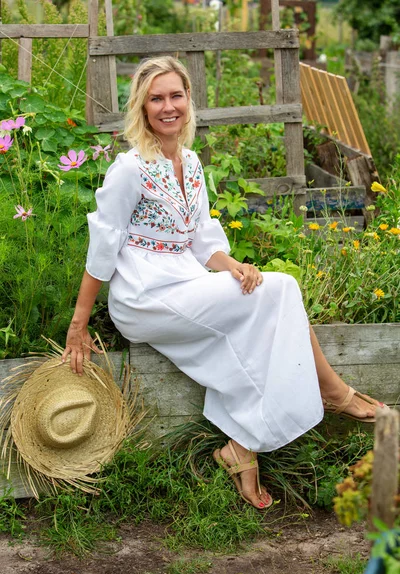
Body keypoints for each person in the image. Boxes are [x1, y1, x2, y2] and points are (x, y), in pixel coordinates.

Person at [62, 56, 386, 510]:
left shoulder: (190, 162)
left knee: (262, 304)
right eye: (156, 98)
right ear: (141, 106)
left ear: (189, 99)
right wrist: (79, 324)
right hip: (145, 296)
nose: (168, 106)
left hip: (186, 280)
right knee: (282, 290)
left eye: (176, 95)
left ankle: (241, 446)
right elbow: (103, 248)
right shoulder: (130, 169)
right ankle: (333, 393)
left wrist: (233, 265)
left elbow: (201, 241)